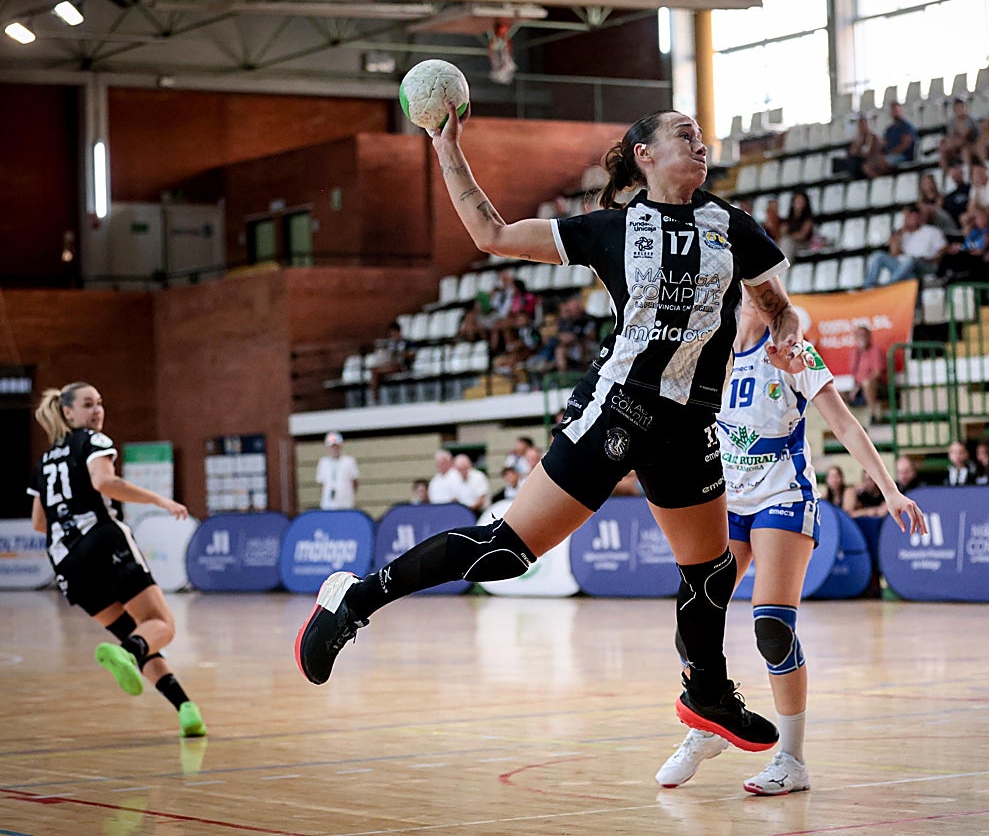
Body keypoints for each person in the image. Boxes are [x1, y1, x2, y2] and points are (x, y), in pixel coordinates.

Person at [297, 108, 816, 752]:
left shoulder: (731, 226)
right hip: (619, 412)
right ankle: (354, 599)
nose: (699, 142)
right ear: (645, 155)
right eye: (684, 134)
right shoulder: (611, 230)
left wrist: (788, 331)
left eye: (701, 136)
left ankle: (706, 691)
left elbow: (777, 306)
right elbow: (491, 234)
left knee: (711, 572)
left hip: (691, 423)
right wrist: (446, 145)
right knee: (508, 550)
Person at [655, 296, 924, 794]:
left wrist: (889, 489)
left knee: (773, 626)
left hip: (782, 493)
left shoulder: (795, 350)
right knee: (693, 621)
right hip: (725, 498)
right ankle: (706, 724)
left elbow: (844, 422)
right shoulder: (710, 351)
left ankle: (792, 760)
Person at [27, 383, 205, 738]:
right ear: (68, 413)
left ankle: (186, 709)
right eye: (88, 404)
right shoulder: (93, 441)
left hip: (66, 562)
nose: (97, 411)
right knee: (161, 625)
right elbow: (104, 482)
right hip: (102, 539)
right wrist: (161, 501)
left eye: (100, 403)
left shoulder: (45, 461)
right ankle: (128, 652)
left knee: (136, 634)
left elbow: (38, 522)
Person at [863, 205, 946, 288]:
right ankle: (869, 287)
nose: (912, 219)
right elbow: (894, 254)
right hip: (906, 269)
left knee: (910, 260)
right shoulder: (902, 234)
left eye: (914, 216)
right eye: (909, 217)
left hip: (925, 265)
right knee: (878, 256)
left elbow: (942, 251)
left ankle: (890, 285)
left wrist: (928, 259)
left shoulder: (932, 231)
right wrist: (901, 232)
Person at [844, 325, 888, 425]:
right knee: (836, 393)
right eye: (858, 335)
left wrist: (859, 386)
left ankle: (874, 415)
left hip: (878, 386)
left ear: (869, 336)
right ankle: (847, 423)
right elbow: (854, 374)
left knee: (867, 383)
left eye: (863, 335)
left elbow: (877, 373)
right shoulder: (854, 352)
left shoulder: (875, 350)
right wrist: (856, 388)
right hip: (859, 388)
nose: (861, 338)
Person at [315, 431, 358, 510]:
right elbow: (321, 484)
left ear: (340, 446)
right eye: (332, 446)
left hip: (345, 504)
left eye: (337, 446)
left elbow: (354, 482)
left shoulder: (349, 461)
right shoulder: (323, 462)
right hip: (328, 504)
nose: (335, 449)